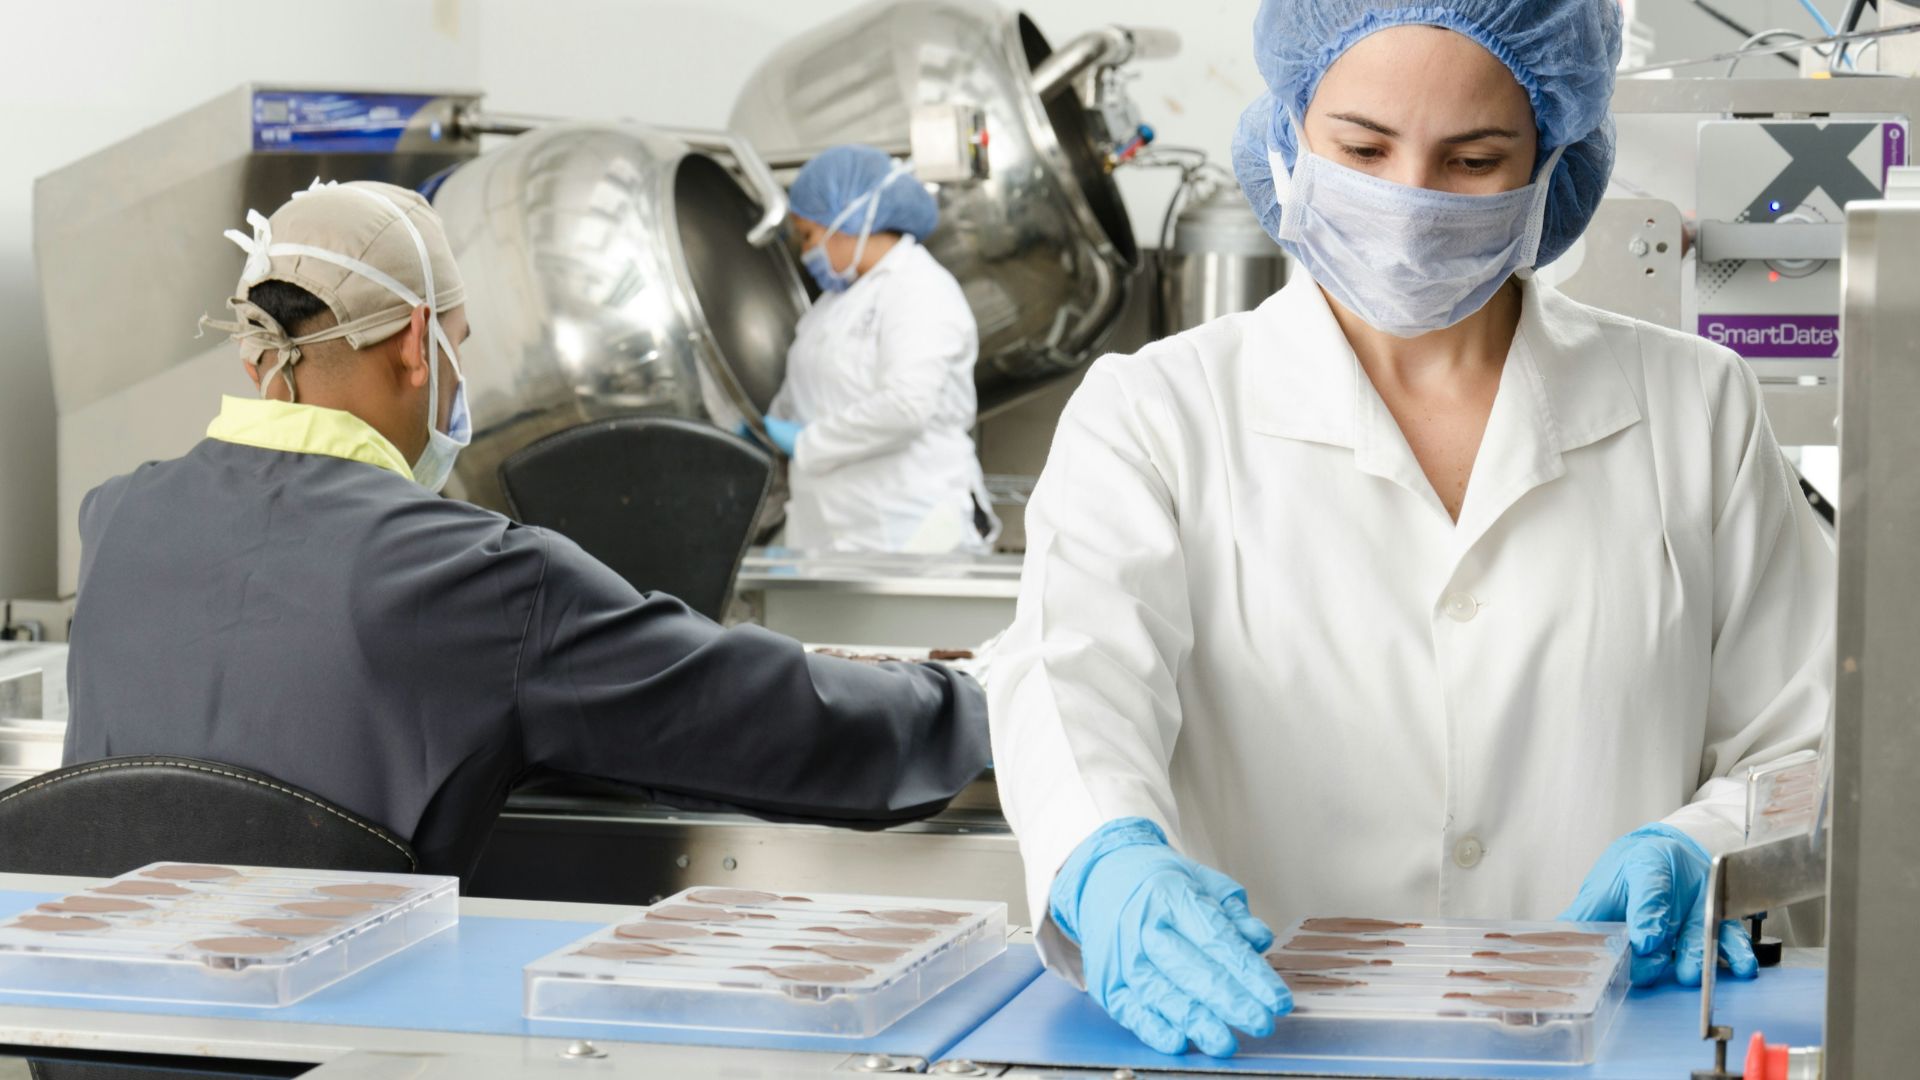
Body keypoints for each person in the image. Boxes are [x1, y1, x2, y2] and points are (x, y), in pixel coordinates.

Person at [989, 0, 1833, 1060]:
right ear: (1291, 128)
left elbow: (1809, 735)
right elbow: (1072, 688)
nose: (1409, 202)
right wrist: (1103, 857)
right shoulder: (1156, 414)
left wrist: (1710, 847)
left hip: (1604, 1052)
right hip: (1259, 1047)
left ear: (1551, 159)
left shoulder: (1692, 405)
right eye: (1362, 147)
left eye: (1475, 159)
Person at [63, 180, 990, 877]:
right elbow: (762, 716)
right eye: (460, 347)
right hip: (341, 1042)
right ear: (418, 345)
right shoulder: (469, 576)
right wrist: (978, 701)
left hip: (105, 1038)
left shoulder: (115, 520)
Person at [759, 144, 1000, 554]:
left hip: (913, 531)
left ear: (849, 217)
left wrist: (806, 442)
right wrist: (767, 426)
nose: (806, 252)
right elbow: (810, 390)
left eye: (808, 235)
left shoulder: (919, 288)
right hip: (833, 536)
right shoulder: (832, 304)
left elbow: (907, 406)